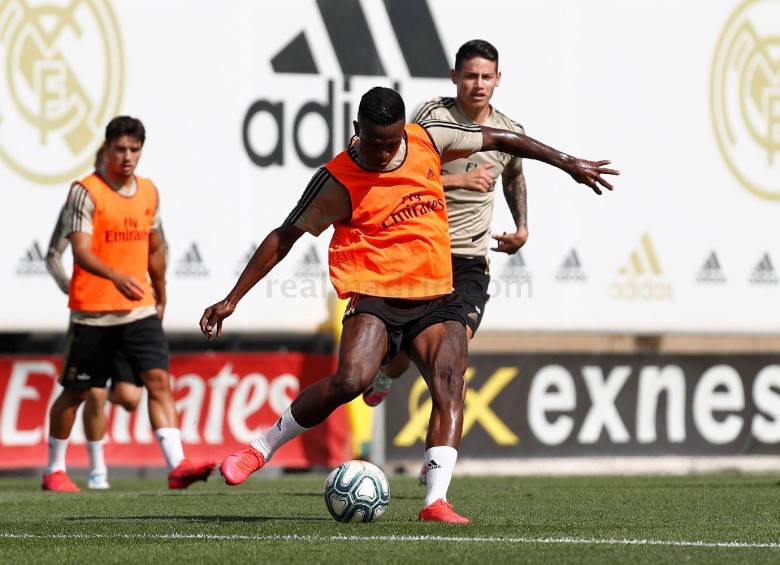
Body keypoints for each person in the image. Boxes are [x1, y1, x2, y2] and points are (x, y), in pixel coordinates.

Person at [200, 87, 617, 523]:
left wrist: (569, 163)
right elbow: (284, 236)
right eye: (376, 142)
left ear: (404, 130)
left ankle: (434, 500)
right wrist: (232, 299)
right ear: (357, 130)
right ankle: (260, 449)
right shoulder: (336, 179)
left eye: (392, 141)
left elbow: (503, 140)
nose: (384, 151)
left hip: (437, 291)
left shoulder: (428, 137)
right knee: (351, 380)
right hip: (375, 292)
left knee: (450, 381)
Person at [360, 39, 530, 483]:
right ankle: (385, 375)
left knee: (452, 363)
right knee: (399, 361)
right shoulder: (430, 119)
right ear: (455, 77)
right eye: (470, 75)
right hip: (420, 255)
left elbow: (514, 175)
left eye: (486, 76)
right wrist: (461, 181)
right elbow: (402, 177)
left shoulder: (509, 130)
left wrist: (523, 227)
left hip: (470, 260)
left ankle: (433, 463)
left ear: (498, 79)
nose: (478, 84)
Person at [42, 116, 216, 492]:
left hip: (139, 311)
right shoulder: (85, 191)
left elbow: (155, 248)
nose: (127, 156)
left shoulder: (149, 191)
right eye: (120, 149)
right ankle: (55, 469)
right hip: (93, 314)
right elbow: (80, 251)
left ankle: (176, 465)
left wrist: (162, 292)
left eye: (134, 149)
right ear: (106, 149)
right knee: (76, 392)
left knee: (158, 382)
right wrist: (115, 276)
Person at [45, 148, 144, 490]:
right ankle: (94, 469)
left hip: (129, 314)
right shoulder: (82, 199)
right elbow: (54, 254)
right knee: (92, 392)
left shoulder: (136, 200)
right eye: (114, 155)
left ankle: (93, 467)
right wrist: (71, 287)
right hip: (93, 314)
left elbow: (154, 246)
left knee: (131, 398)